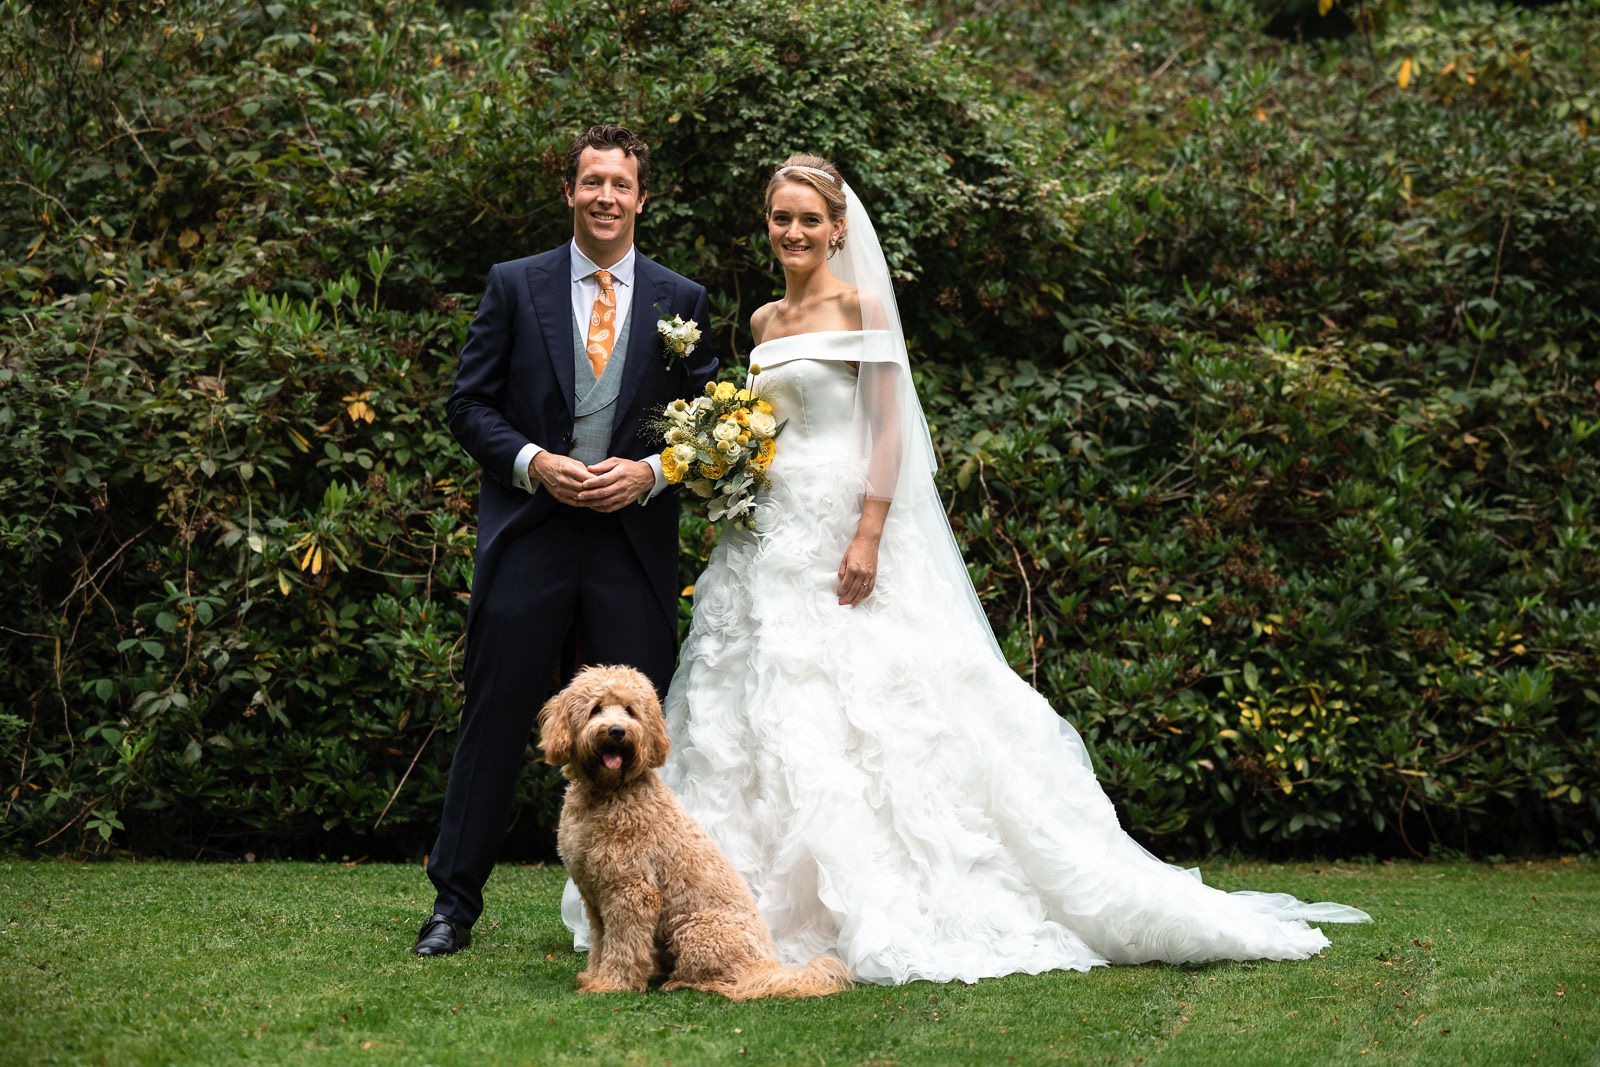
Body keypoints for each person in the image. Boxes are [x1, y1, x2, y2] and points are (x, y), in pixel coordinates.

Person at [562, 154, 1369, 984]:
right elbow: (765, 428)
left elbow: (889, 429)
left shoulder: (862, 304)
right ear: (766, 226)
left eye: (810, 218)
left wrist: (870, 531)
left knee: (871, 711)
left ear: (838, 227)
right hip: (767, 540)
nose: (794, 232)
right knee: (754, 709)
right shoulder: (764, 321)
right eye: (780, 218)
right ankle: (731, 906)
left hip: (844, 531)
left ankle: (867, 899)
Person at [416, 125, 718, 957]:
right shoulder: (515, 285)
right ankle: (452, 907)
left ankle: (647, 916)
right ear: (570, 191)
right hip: (532, 536)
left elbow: (718, 424)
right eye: (592, 183)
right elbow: (468, 404)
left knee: (640, 738)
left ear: (641, 197)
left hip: (630, 547)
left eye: (621, 185)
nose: (606, 198)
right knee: (495, 712)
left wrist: (652, 472)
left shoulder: (679, 299)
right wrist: (533, 460)